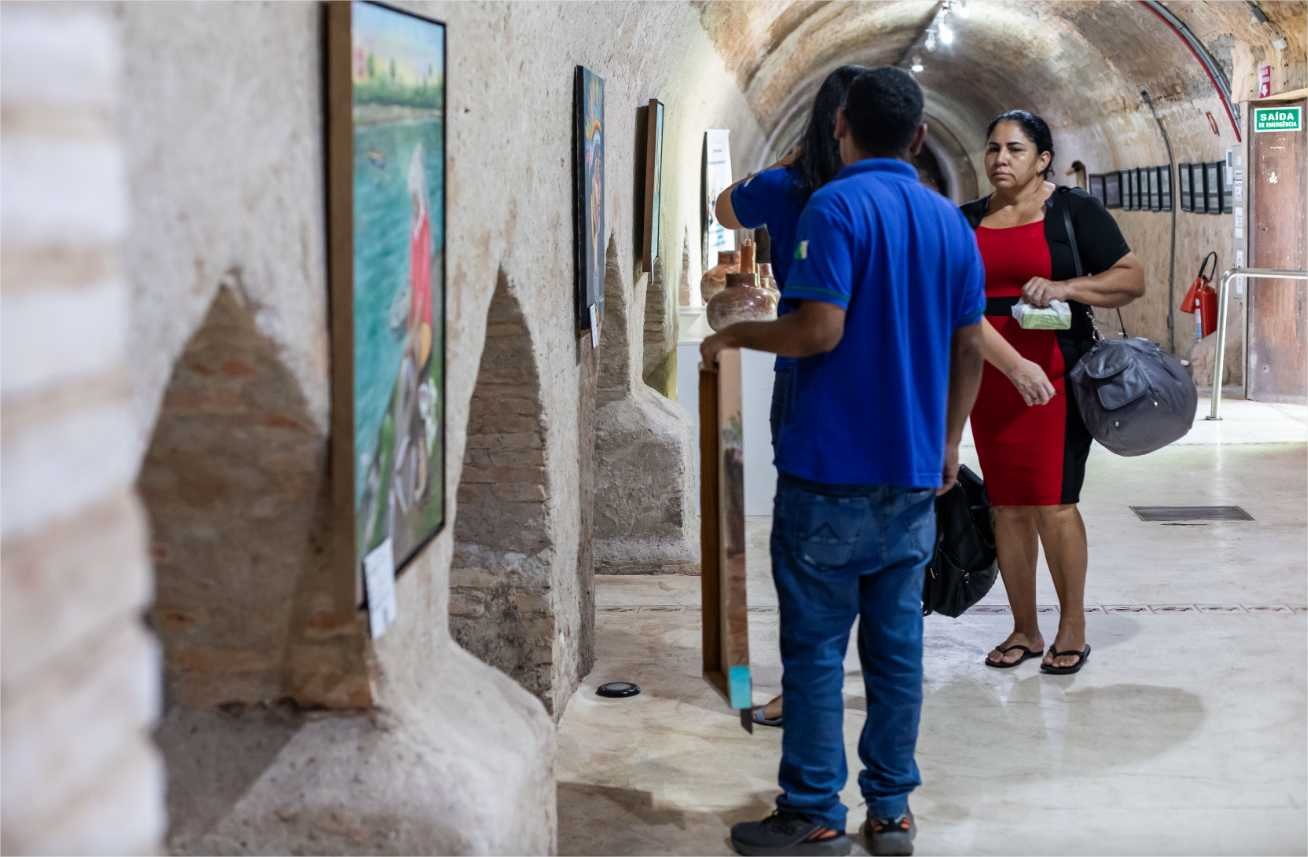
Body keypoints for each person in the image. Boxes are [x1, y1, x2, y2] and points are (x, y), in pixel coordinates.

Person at [701, 67, 986, 857]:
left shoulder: (833, 206)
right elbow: (970, 350)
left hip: (828, 467)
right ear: (921, 136)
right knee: (897, 648)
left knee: (817, 646)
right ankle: (890, 810)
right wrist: (949, 440)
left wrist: (736, 335)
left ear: (839, 127)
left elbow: (819, 329)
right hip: (912, 474)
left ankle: (814, 808)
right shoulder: (947, 222)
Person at [959, 111, 1144, 674]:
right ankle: (1023, 628)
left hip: (1055, 376)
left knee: (1055, 503)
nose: (1000, 159)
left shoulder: (1071, 210)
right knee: (1007, 506)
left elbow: (1130, 278)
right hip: (989, 378)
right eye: (992, 149)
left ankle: (1072, 627)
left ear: (1042, 160)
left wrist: (1067, 285)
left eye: (1015, 149)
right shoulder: (967, 221)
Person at [713, 64, 866, 730]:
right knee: (878, 548)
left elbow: (725, 207)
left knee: (806, 541)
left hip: (806, 372)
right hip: (882, 377)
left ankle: (804, 692)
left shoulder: (787, 187)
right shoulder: (900, 201)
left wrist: (782, 161)